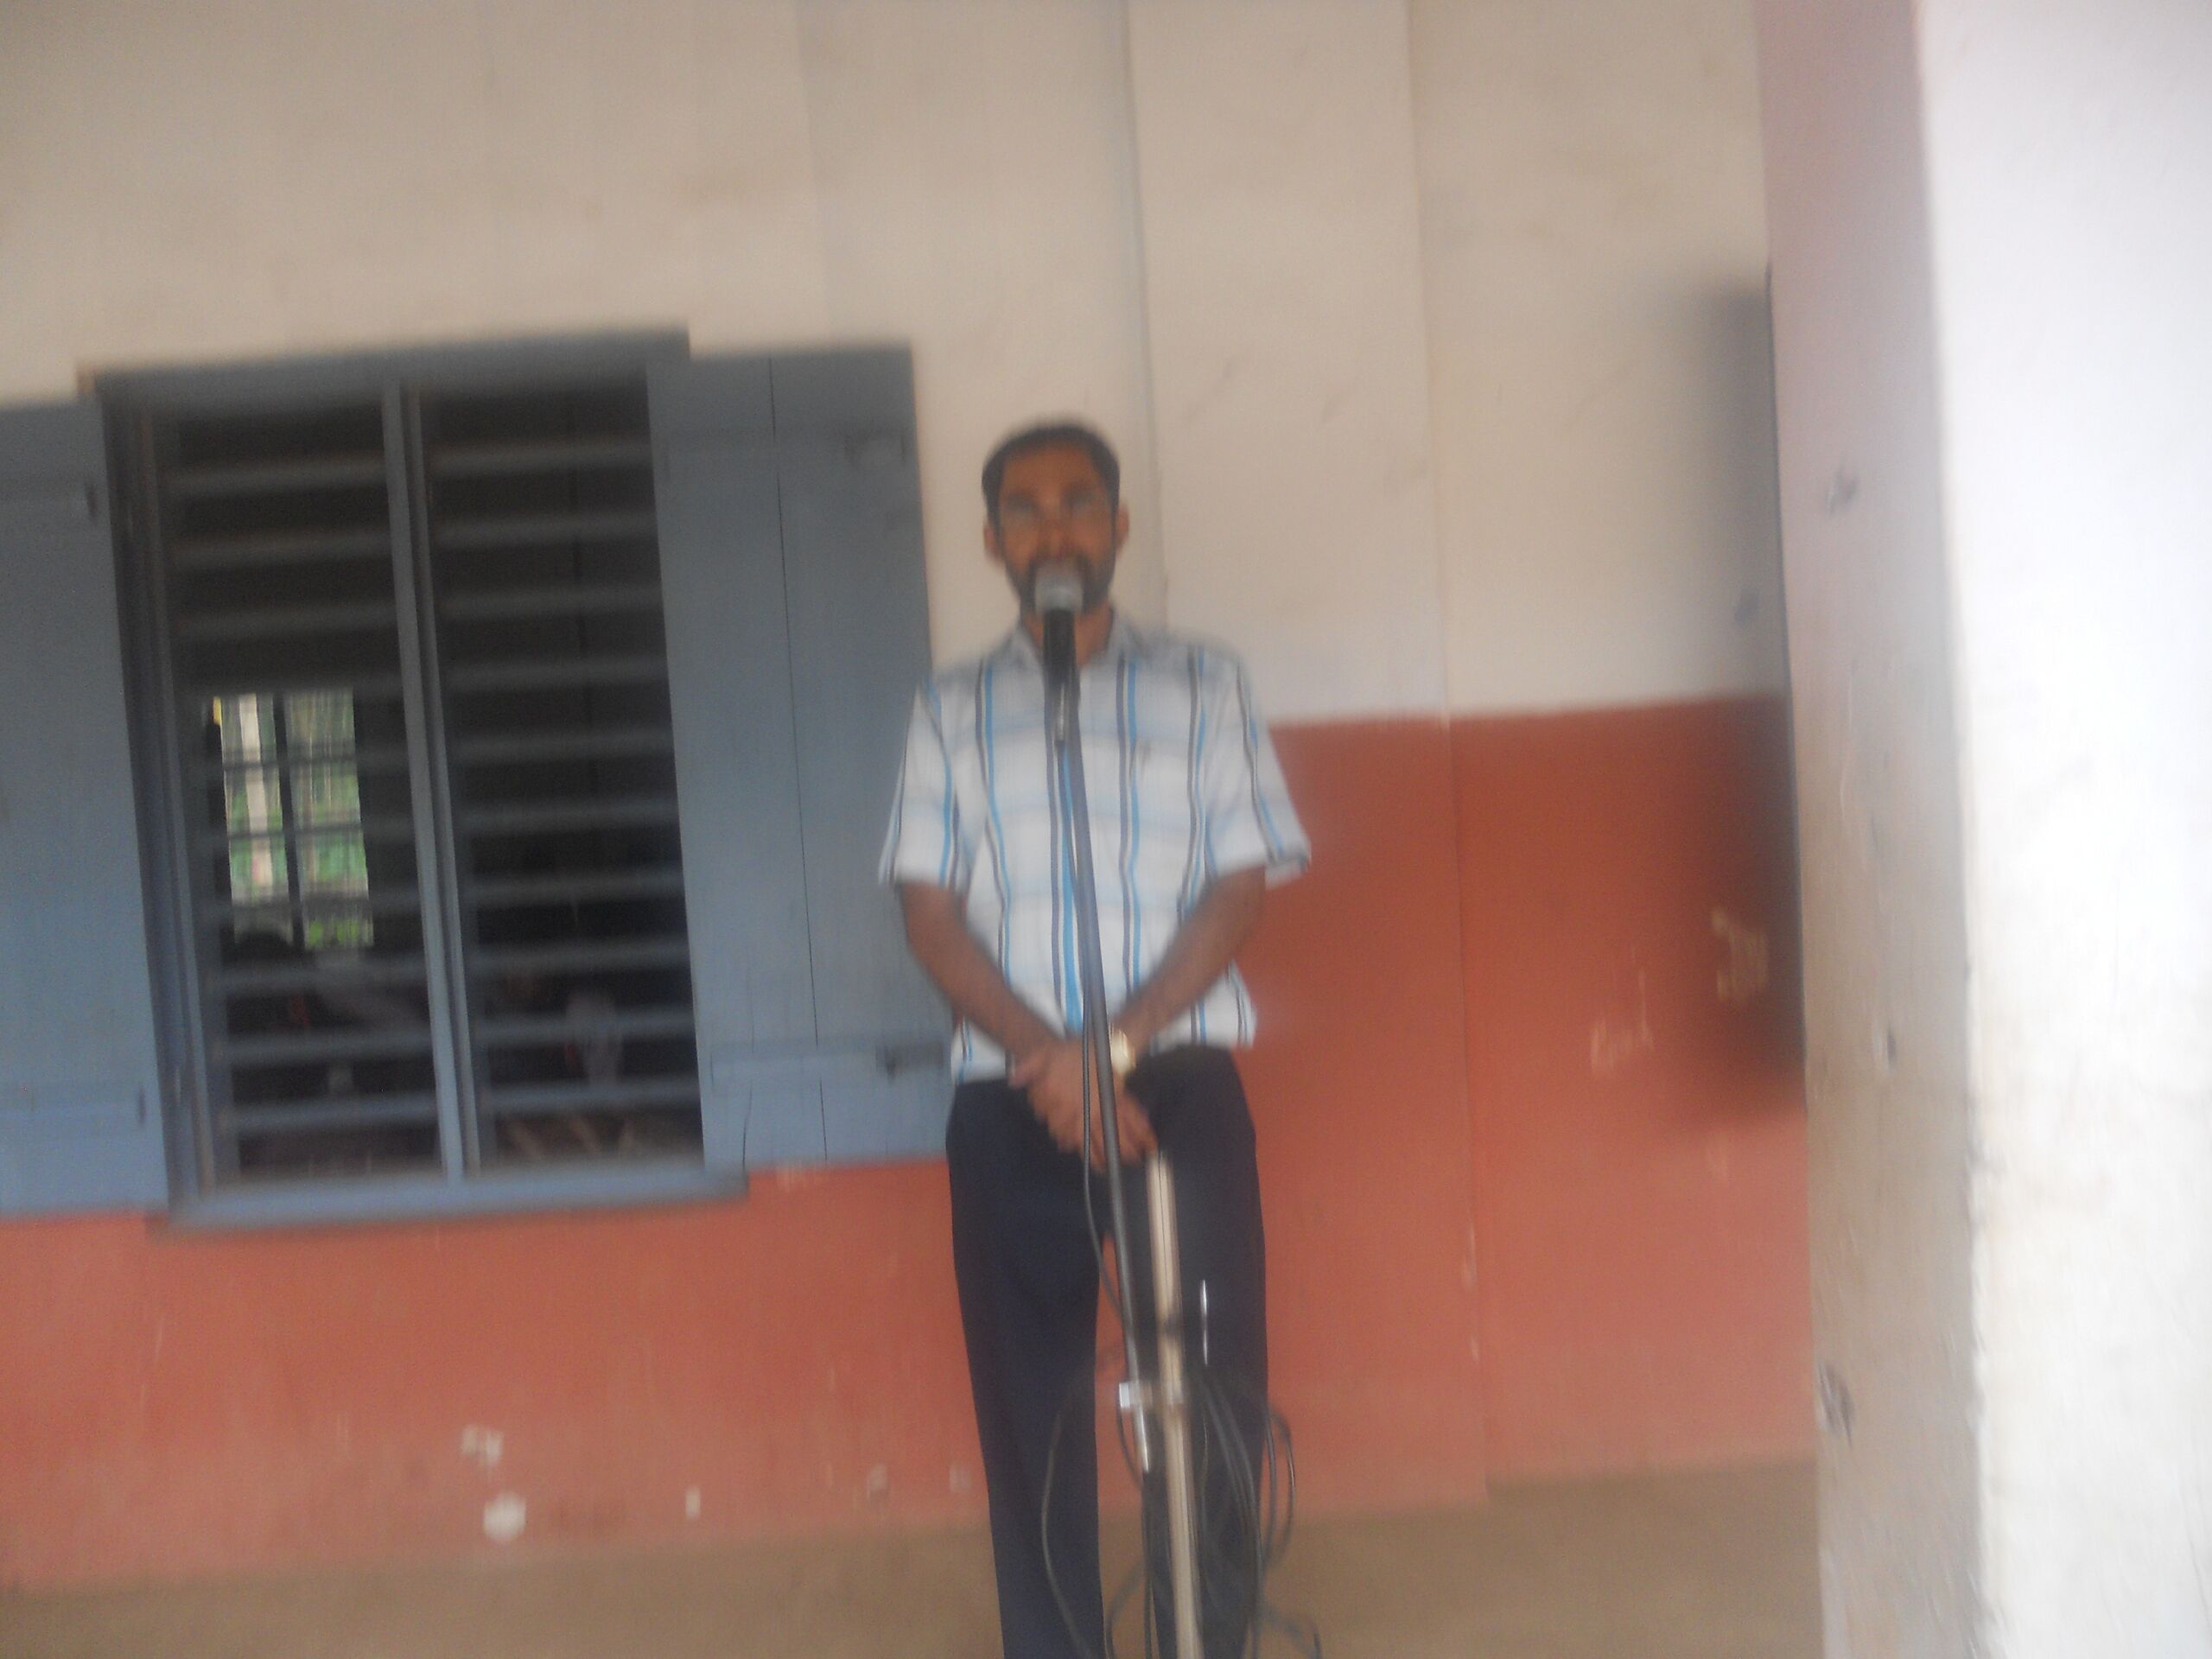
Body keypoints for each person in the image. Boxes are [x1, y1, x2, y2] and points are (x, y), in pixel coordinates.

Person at [880, 420, 1310, 1658]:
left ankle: (1204, 1638)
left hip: (1175, 1083)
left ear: (1118, 525)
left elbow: (1240, 885)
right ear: (992, 542)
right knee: (1032, 1405)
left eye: (1077, 502)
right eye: (1024, 510)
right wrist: (1052, 1063)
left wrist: (1110, 1048)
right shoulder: (950, 707)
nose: (1052, 527)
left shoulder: (1204, 685)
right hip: (1008, 1097)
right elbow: (929, 914)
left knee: (1215, 1386)